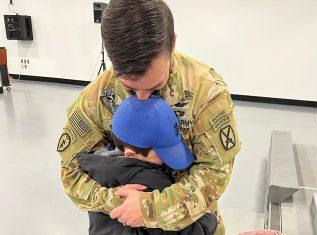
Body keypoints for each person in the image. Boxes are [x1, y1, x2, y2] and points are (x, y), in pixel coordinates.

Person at [57, 0, 241, 234]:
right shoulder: (97, 98)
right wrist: (117, 201)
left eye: (154, 86)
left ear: (172, 43)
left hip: (192, 224)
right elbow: (70, 172)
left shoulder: (206, 93)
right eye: (130, 88)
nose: (142, 97)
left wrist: (151, 208)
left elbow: (215, 172)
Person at [77, 95, 217, 235]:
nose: (166, 159)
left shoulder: (96, 169)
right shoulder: (151, 180)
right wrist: (209, 218)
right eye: (161, 152)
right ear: (131, 155)